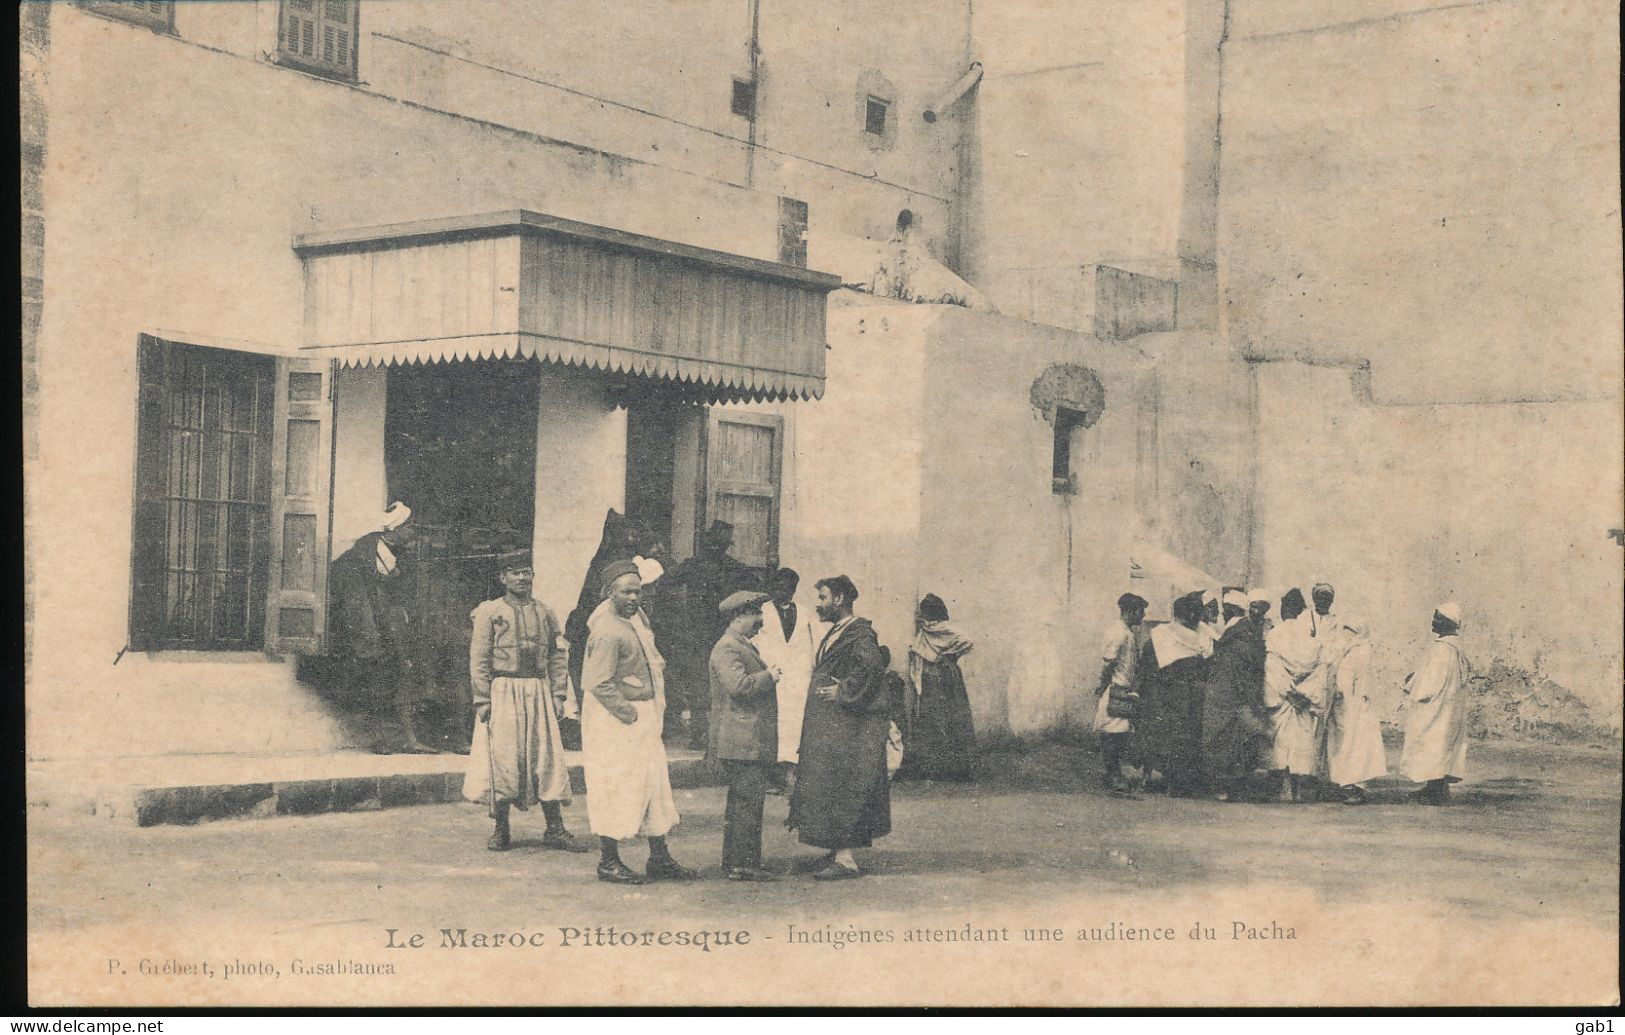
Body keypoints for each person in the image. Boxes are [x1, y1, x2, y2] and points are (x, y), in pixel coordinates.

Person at [463, 551, 589, 853]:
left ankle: (555, 828)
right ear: (503, 578)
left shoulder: (545, 612)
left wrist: (559, 694)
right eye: (514, 572)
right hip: (503, 691)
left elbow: (559, 656)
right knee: (504, 758)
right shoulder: (489, 612)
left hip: (538, 691)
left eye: (527, 572)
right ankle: (501, 828)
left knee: (544, 758)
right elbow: (479, 658)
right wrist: (482, 699)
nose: (522, 578)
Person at [579, 560, 694, 884]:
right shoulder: (607, 630)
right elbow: (597, 682)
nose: (633, 597)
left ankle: (659, 858)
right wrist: (628, 713)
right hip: (617, 723)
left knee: (653, 787)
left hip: (641, 721)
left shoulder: (635, 622)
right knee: (615, 787)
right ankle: (608, 861)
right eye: (626, 591)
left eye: (637, 591)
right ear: (608, 593)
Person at [787, 575, 891, 880]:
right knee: (828, 786)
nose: (818, 604)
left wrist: (843, 691)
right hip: (831, 726)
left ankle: (846, 860)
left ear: (839, 599)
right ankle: (835, 851)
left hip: (847, 728)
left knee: (844, 785)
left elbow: (872, 667)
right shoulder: (838, 631)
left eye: (822, 598)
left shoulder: (859, 634)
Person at [327, 501, 437, 754]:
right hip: (367, 633)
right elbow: (354, 604)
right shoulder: (357, 559)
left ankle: (409, 739)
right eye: (410, 527)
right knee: (374, 683)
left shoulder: (404, 554)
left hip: (395, 630)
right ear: (395, 529)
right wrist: (369, 638)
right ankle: (379, 738)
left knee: (406, 681)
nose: (413, 533)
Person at [709, 590, 783, 881]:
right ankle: (743, 864)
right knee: (747, 804)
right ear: (737, 616)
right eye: (756, 614)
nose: (760, 620)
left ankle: (739, 862)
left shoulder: (739, 645)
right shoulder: (728, 647)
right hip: (743, 740)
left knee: (745, 802)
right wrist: (770, 676)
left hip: (746, 739)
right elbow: (738, 686)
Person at [667, 520, 760, 750]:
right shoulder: (714, 566)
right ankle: (705, 734)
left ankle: (708, 734)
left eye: (721, 543)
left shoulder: (717, 566)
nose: (717, 547)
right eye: (716, 543)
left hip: (710, 634)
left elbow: (668, 579)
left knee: (709, 682)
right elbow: (669, 581)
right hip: (702, 634)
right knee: (704, 683)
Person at [1133, 591, 1211, 797]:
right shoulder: (1181, 637)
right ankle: (1168, 781)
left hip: (1171, 696)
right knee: (1173, 737)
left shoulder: (1164, 635)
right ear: (1186, 616)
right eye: (1191, 615)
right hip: (1174, 696)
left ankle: (1157, 778)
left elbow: (1146, 666)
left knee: (1168, 736)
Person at [1201, 589, 1273, 802]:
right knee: (1226, 738)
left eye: (1263, 608)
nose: (1222, 613)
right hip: (1228, 692)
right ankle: (1225, 785)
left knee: (1231, 739)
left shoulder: (1246, 632)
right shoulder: (1241, 632)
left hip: (1232, 693)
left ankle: (1229, 785)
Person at [753, 567, 819, 793]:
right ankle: (774, 777)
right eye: (781, 587)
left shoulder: (805, 612)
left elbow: (812, 642)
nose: (786, 592)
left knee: (795, 725)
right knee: (773, 725)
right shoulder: (761, 611)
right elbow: (754, 642)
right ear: (773, 588)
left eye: (791, 588)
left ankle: (793, 776)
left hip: (799, 678)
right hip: (773, 674)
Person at [899, 594, 977, 781]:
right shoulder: (924, 632)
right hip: (928, 681)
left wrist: (948, 656)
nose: (924, 617)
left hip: (947, 680)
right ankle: (934, 769)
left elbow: (966, 641)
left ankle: (958, 769)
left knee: (952, 719)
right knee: (930, 723)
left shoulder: (945, 630)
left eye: (926, 612)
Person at [1400, 602, 1472, 805]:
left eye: (1437, 617)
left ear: (1447, 622)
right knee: (1440, 746)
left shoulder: (1444, 650)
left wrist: (1414, 687)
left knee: (1433, 744)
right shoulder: (1455, 648)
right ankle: (1434, 788)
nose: (1433, 621)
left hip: (1436, 707)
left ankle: (1437, 791)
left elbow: (1430, 682)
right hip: (1448, 707)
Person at [1264, 588, 1325, 802]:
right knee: (1300, 743)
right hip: (1303, 699)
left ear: (1285, 609)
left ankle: (1285, 788)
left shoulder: (1274, 634)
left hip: (1283, 698)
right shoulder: (1310, 638)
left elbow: (1272, 667)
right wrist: (1304, 692)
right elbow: (1318, 669)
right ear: (1300, 610)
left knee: (1282, 743)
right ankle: (1298, 789)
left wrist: (1288, 691)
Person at [1320, 618, 1387, 804]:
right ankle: (1344, 785)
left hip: (1356, 707)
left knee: (1356, 746)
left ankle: (1356, 788)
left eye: (1350, 630)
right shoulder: (1349, 649)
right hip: (1343, 705)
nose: (1346, 633)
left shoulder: (1363, 650)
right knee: (1342, 745)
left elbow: (1363, 681)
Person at [1093, 593, 1148, 795]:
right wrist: (1103, 687)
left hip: (1123, 688)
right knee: (1112, 735)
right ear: (1132, 611)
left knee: (1120, 734)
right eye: (1141, 612)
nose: (1142, 616)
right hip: (1116, 689)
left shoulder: (1127, 633)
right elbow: (1109, 663)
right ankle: (1113, 775)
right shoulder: (1117, 633)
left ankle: (1113, 774)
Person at [1198, 591, 1223, 656]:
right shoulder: (1199, 627)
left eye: (1216, 607)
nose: (1216, 611)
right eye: (1212, 607)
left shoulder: (1212, 624)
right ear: (1203, 610)